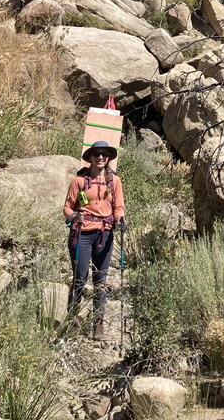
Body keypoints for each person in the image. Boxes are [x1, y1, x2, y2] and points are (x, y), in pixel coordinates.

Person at [64, 140, 126, 341]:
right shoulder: (79, 182)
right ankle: (72, 320)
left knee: (100, 280)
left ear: (108, 158)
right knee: (80, 278)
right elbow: (67, 208)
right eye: (97, 154)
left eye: (104, 155)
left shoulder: (114, 181)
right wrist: (74, 217)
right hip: (82, 233)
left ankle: (98, 325)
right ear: (90, 157)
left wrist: (120, 218)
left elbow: (119, 206)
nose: (100, 157)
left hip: (105, 234)